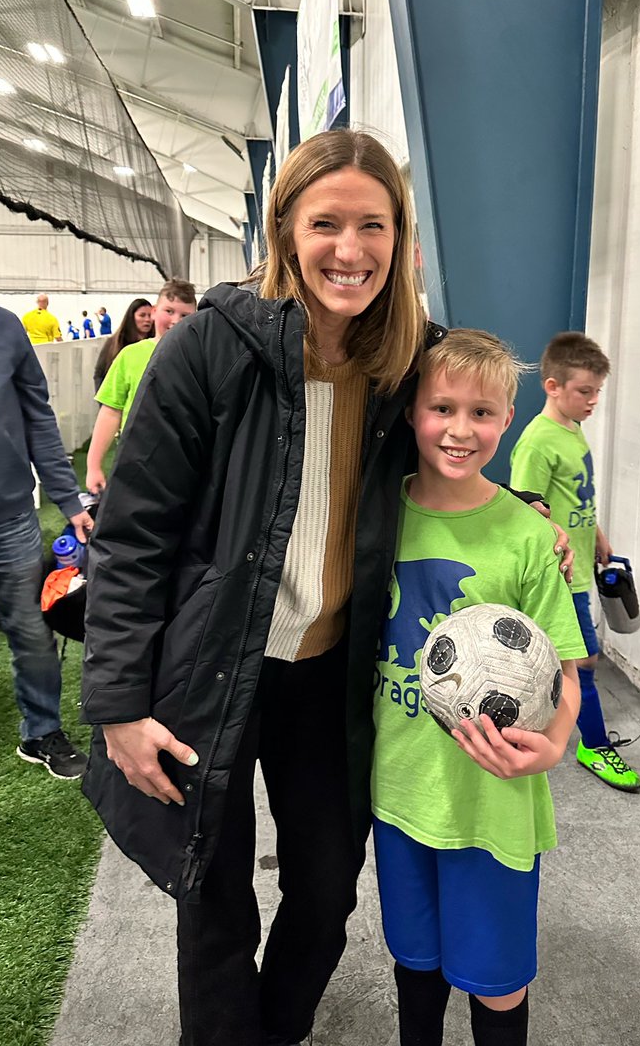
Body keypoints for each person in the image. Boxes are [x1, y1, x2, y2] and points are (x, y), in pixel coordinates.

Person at [80, 129, 571, 1046]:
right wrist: (116, 704)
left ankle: (279, 1028)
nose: (350, 249)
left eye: (372, 225)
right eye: (326, 223)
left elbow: (461, 433)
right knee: (216, 897)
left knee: (325, 889)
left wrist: (528, 512)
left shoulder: (406, 358)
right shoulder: (211, 351)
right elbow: (132, 534)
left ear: (401, 236)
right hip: (215, 669)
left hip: (331, 673)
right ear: (284, 230)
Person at [372, 329, 585, 1046]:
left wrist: (553, 747)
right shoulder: (378, 513)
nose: (461, 429)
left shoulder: (525, 534)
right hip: (400, 793)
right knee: (415, 964)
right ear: (412, 413)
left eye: (483, 413)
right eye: (442, 408)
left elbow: (566, 671)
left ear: (508, 418)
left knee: (496, 981)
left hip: (492, 803)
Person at [0, 216, 94, 830]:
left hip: (9, 518)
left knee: (33, 634)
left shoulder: (2, 329)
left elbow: (39, 421)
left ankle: (42, 734)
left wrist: (71, 500)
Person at [510, 331, 640, 792]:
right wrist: (557, 565)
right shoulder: (537, 442)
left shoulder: (572, 429)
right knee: (584, 661)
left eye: (597, 392)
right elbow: (527, 511)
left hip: (583, 566)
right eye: (584, 391)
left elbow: (575, 496)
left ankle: (552, 726)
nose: (593, 402)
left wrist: (598, 534)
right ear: (553, 386)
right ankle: (593, 744)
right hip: (559, 574)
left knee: (566, 658)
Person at [84, 281, 197, 494]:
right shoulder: (129, 355)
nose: (176, 321)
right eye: (169, 311)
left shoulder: (202, 359)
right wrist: (93, 466)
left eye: (185, 315)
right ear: (154, 312)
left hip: (187, 464)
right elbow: (110, 412)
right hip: (136, 461)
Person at [92, 298, 153, 395]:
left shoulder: (156, 343)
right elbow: (100, 374)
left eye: (150, 315)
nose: (147, 319)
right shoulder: (115, 342)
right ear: (131, 317)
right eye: (142, 315)